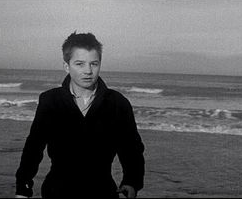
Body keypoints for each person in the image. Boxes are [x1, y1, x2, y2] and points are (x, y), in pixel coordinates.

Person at [15, 32, 145, 198]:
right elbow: (34, 147)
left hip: (102, 192)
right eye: (80, 64)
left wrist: (131, 182)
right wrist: (23, 187)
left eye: (94, 64)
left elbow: (132, 149)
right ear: (67, 66)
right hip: (56, 192)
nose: (88, 71)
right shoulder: (50, 101)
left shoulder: (117, 103)